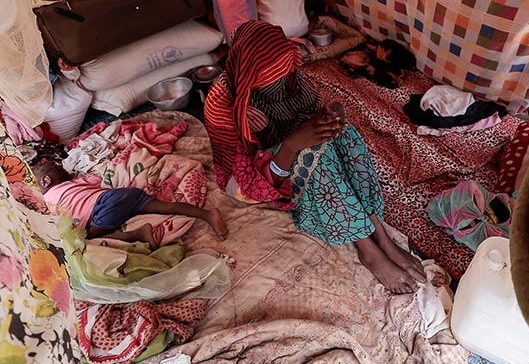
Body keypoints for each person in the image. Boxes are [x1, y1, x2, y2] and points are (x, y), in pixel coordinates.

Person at [204, 20, 425, 294]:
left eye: (285, 73)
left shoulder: (290, 81)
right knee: (314, 154)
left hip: (284, 149)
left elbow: (310, 113)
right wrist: (291, 145)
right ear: (249, 73)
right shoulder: (221, 106)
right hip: (253, 179)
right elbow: (248, 187)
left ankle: (377, 230)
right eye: (270, 78)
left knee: (343, 133)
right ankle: (366, 247)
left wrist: (328, 120)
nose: (282, 83)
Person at [32, 159, 228, 248]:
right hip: (123, 195)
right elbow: (97, 180)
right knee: (164, 207)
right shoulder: (75, 182)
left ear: (45, 182)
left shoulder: (47, 199)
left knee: (84, 240)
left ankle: (138, 234)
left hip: (105, 206)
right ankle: (208, 214)